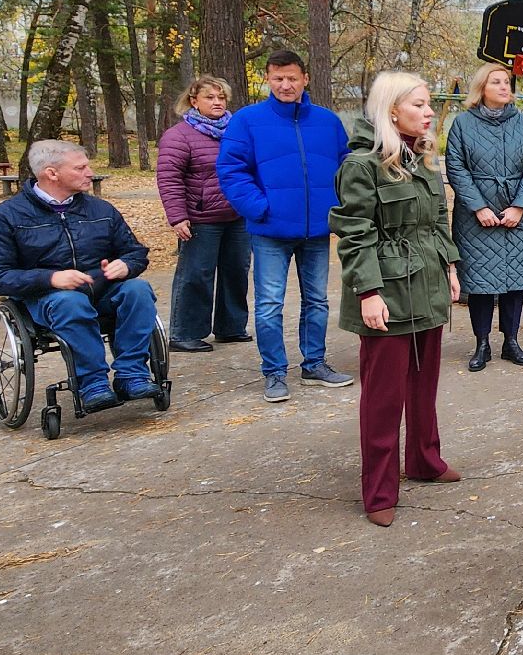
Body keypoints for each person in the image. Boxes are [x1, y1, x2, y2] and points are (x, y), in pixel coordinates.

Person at [331, 72, 466, 527]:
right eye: (420, 105)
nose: (430, 113)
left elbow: (438, 218)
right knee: (384, 396)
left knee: (423, 385)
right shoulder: (362, 165)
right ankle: (380, 491)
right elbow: (354, 234)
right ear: (392, 110)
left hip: (426, 281)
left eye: (429, 105)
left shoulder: (424, 157)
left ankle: (425, 461)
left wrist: (449, 265)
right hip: (387, 289)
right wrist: (368, 291)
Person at [0, 140, 160, 413]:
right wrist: (50, 279)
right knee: (69, 303)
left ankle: (132, 375)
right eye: (81, 167)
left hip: (102, 290)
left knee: (138, 290)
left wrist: (126, 265)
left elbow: (135, 252)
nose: (89, 172)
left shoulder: (101, 210)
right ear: (52, 173)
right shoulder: (5, 217)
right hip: (45, 299)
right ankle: (92, 383)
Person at [217, 49, 355, 402]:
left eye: (292, 78)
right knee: (269, 303)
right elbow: (231, 171)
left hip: (317, 230)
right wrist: (259, 208)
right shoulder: (247, 121)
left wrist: (338, 208)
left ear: (305, 79)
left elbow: (347, 168)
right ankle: (274, 372)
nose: (285, 85)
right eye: (278, 78)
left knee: (318, 300)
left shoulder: (327, 122)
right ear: (268, 79)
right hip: (270, 230)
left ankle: (314, 363)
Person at [445, 62, 523, 372]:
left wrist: (519, 206)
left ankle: (511, 341)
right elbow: (456, 168)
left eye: (507, 82)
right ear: (481, 88)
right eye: (496, 82)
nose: (505, 87)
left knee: (515, 279)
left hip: (516, 213)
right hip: (476, 217)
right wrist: (478, 206)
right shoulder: (462, 124)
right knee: (481, 279)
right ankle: (482, 342)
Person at [157, 75, 251, 353]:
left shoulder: (237, 130)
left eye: (221, 97)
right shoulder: (178, 136)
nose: (217, 102)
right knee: (196, 274)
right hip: (200, 218)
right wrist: (177, 216)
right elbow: (169, 178)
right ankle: (185, 332)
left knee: (237, 272)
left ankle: (231, 327)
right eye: (210, 97)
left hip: (237, 216)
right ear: (193, 101)